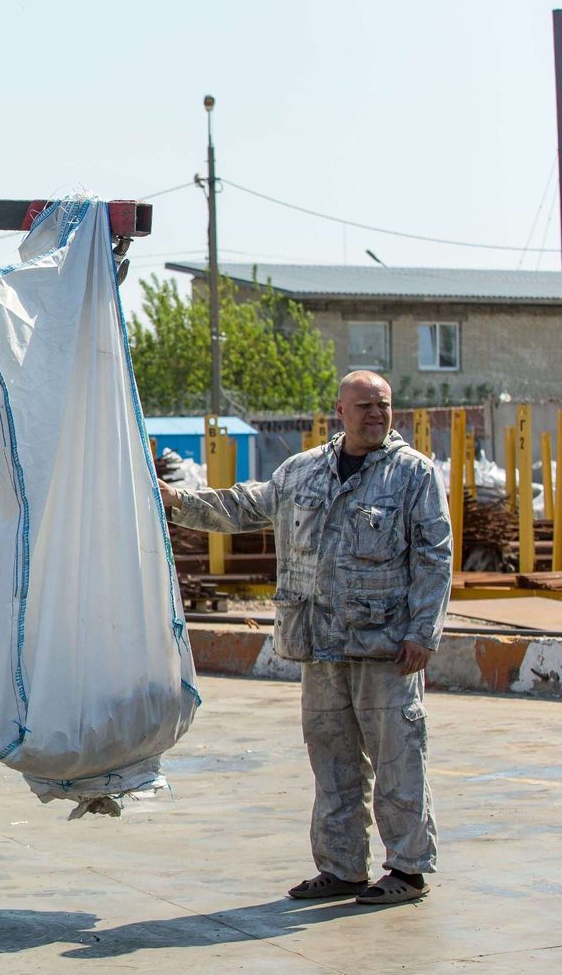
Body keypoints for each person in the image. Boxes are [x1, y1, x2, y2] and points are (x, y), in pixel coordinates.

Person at [158, 371, 450, 905]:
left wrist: (423, 632)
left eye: (383, 405)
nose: (376, 414)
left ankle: (407, 870)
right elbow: (245, 506)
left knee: (398, 761)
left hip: (385, 648)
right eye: (365, 405)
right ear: (339, 409)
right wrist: (177, 500)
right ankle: (342, 869)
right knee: (332, 763)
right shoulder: (303, 471)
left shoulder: (413, 475)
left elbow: (435, 557)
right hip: (319, 646)